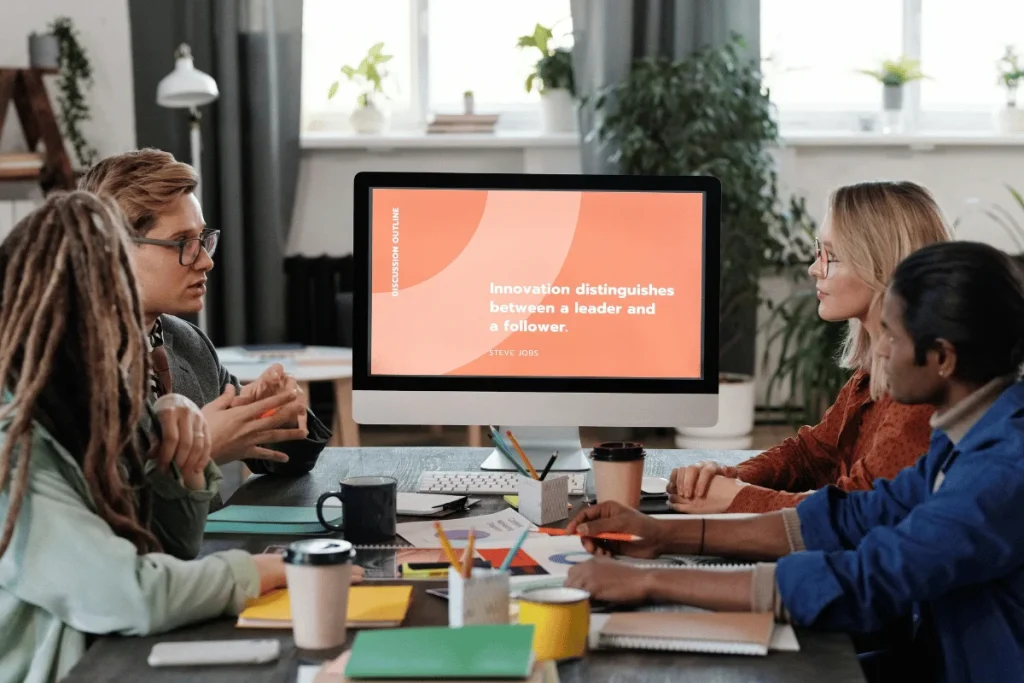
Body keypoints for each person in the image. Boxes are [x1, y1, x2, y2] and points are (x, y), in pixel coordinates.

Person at [565, 240, 1024, 683]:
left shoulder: (1000, 472)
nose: (879, 350)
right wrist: (662, 533)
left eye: (892, 336)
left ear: (942, 357)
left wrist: (649, 583)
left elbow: (865, 580)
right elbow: (850, 518)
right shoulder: (963, 437)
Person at [0, 192, 332, 683]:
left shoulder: (92, 403)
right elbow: (129, 593)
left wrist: (182, 461)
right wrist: (267, 570)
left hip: (119, 653)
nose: (132, 331)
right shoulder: (17, 448)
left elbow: (170, 550)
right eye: (115, 309)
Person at [669, 181, 953, 513]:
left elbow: (856, 510)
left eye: (831, 256)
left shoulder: (919, 395)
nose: (814, 268)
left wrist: (736, 498)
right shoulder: (870, 375)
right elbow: (811, 454)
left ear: (882, 266)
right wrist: (731, 476)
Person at [78, 148, 331, 476]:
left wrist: (273, 413)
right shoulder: (68, 364)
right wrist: (202, 450)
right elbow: (92, 511)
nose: (205, 261)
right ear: (112, 248)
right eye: (183, 242)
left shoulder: (187, 342)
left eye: (203, 239)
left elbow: (284, 462)